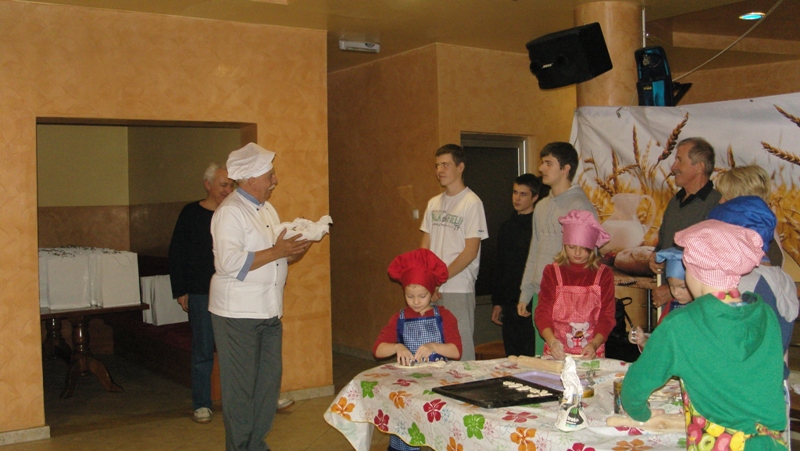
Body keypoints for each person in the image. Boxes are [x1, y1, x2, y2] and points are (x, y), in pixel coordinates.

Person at [622, 220, 786, 450]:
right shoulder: (766, 314)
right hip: (772, 442)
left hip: (720, 444)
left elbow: (636, 385)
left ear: (692, 271)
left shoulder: (681, 324)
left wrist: (640, 412)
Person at [209, 142, 313, 451]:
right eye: (271, 175)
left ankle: (256, 444)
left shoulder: (267, 209)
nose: (275, 181)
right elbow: (229, 263)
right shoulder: (230, 212)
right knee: (241, 390)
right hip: (237, 314)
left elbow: (275, 256)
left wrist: (293, 251)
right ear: (252, 178)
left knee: (267, 386)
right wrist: (278, 251)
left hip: (269, 312)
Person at [374, 248, 461, 451]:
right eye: (409, 296)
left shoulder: (445, 316)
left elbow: (456, 351)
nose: (415, 302)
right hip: (409, 387)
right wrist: (397, 347)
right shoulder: (399, 318)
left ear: (432, 292)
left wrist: (434, 346)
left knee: (441, 433)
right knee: (405, 426)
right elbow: (378, 350)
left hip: (439, 384)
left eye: (422, 296)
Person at [168, 163, 234, 423]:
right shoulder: (191, 213)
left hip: (231, 291)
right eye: (223, 185)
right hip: (200, 291)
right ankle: (202, 403)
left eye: (231, 185)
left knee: (235, 349)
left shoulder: (234, 213)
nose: (228, 190)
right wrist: (181, 289)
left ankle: (238, 400)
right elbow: (177, 252)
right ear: (207, 185)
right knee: (203, 348)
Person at [707, 196, 798, 377]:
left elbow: (728, 339)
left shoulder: (744, 283)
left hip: (744, 380)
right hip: (770, 378)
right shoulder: (782, 279)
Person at [518, 142, 597, 339]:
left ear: (565, 168)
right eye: (542, 163)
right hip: (540, 294)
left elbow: (589, 259)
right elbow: (534, 251)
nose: (541, 168)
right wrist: (526, 293)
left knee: (566, 353)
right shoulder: (541, 206)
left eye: (548, 163)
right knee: (542, 354)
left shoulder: (580, 206)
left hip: (568, 298)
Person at [420, 144, 488, 361]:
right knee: (432, 344)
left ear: (460, 167)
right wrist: (427, 281)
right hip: (432, 287)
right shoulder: (433, 203)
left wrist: (439, 279)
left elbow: (470, 251)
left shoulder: (472, 203)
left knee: (460, 347)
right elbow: (425, 246)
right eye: (437, 165)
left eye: (445, 165)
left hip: (457, 286)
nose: (440, 170)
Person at [649, 137, 722, 308]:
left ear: (700, 167)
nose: (673, 167)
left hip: (699, 307)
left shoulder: (717, 205)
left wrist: (675, 290)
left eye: (679, 160)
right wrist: (655, 256)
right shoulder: (675, 202)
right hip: (673, 304)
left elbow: (714, 262)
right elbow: (664, 244)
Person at [534, 210, 615, 359]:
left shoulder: (604, 274)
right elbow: (543, 312)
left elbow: (607, 316)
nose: (577, 253)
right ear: (564, 245)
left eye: (583, 248)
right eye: (572, 247)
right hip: (557, 351)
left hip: (591, 351)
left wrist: (594, 344)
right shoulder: (552, 272)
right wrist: (552, 341)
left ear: (592, 248)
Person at [491, 174, 542, 357]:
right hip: (509, 302)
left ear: (534, 197)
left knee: (531, 354)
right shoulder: (506, 227)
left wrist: (528, 298)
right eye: (514, 192)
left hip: (531, 298)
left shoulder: (538, 227)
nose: (517, 198)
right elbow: (500, 266)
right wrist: (497, 302)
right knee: (512, 356)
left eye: (523, 194)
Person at [716, 165, 783, 267]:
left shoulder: (765, 243)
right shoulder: (761, 230)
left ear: (742, 200)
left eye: (726, 196)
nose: (721, 201)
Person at [628, 247, 692, 349]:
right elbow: (661, 342)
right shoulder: (671, 307)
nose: (675, 293)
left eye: (683, 287)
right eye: (671, 286)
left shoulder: (703, 309)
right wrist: (644, 340)